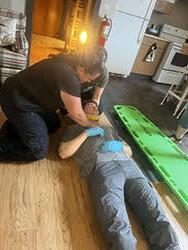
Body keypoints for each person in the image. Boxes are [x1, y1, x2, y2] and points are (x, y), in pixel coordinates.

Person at [58, 121, 180, 249]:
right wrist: (86, 133)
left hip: (130, 166)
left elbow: (130, 151)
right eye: (89, 105)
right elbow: (63, 152)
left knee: (153, 208)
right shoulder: (74, 129)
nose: (93, 108)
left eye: (95, 107)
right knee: (115, 216)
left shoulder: (108, 128)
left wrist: (120, 145)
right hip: (103, 166)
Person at [0, 46, 108, 161]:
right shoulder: (68, 76)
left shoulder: (74, 61)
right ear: (81, 69)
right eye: (89, 78)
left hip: (31, 99)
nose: (89, 82)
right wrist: (95, 126)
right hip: (16, 101)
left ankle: (13, 127)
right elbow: (77, 115)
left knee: (54, 123)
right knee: (38, 150)